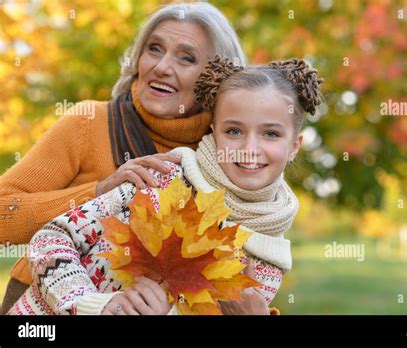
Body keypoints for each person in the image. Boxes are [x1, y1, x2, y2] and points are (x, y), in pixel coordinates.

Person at [7, 56, 323, 315]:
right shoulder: (165, 178)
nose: (249, 148)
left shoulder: (269, 256)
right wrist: (92, 306)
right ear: (213, 131)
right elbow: (51, 237)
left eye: (270, 134)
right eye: (234, 131)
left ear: (294, 145)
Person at [0, 2, 246, 313]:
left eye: (186, 57)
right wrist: (99, 191)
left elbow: (237, 274)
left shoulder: (226, 157)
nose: (162, 67)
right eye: (154, 49)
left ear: (216, 78)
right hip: (45, 306)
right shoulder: (88, 121)